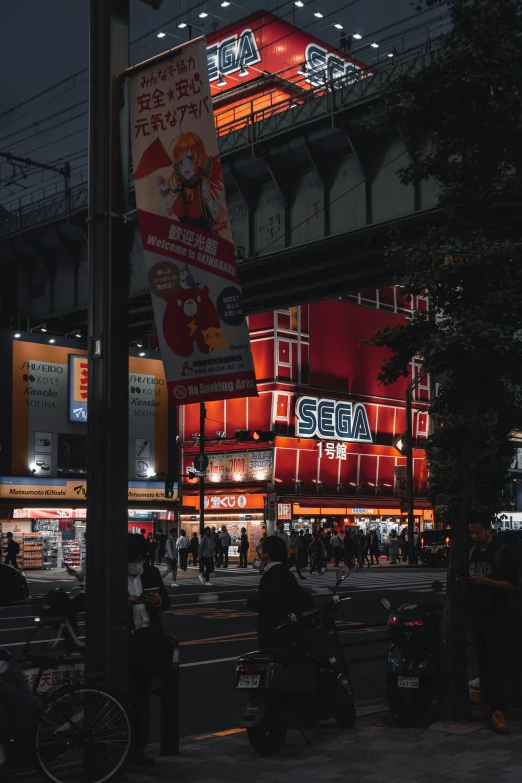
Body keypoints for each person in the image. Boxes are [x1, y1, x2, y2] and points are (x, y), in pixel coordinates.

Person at [459, 512, 518, 734]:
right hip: (478, 613)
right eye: (472, 532)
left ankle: (498, 709)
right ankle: (487, 704)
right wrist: (466, 582)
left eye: (478, 531)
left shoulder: (502, 551)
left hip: (498, 615)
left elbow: (512, 585)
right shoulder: (473, 551)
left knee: (497, 662)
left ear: (489, 530)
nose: (474, 536)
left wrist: (487, 582)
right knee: (482, 660)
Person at [127, 533, 171, 766]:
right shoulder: (114, 574)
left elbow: (166, 601)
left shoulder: (151, 573)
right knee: (128, 695)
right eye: (136, 557)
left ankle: (139, 748)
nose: (139, 561)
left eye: (142, 557)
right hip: (127, 637)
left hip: (149, 637)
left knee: (142, 698)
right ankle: (126, 745)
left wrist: (157, 602)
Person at [246, 536, 314, 648]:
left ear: (267, 554)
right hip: (287, 628)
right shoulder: (286, 573)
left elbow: (262, 600)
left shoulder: (270, 575)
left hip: (273, 630)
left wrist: (250, 602)